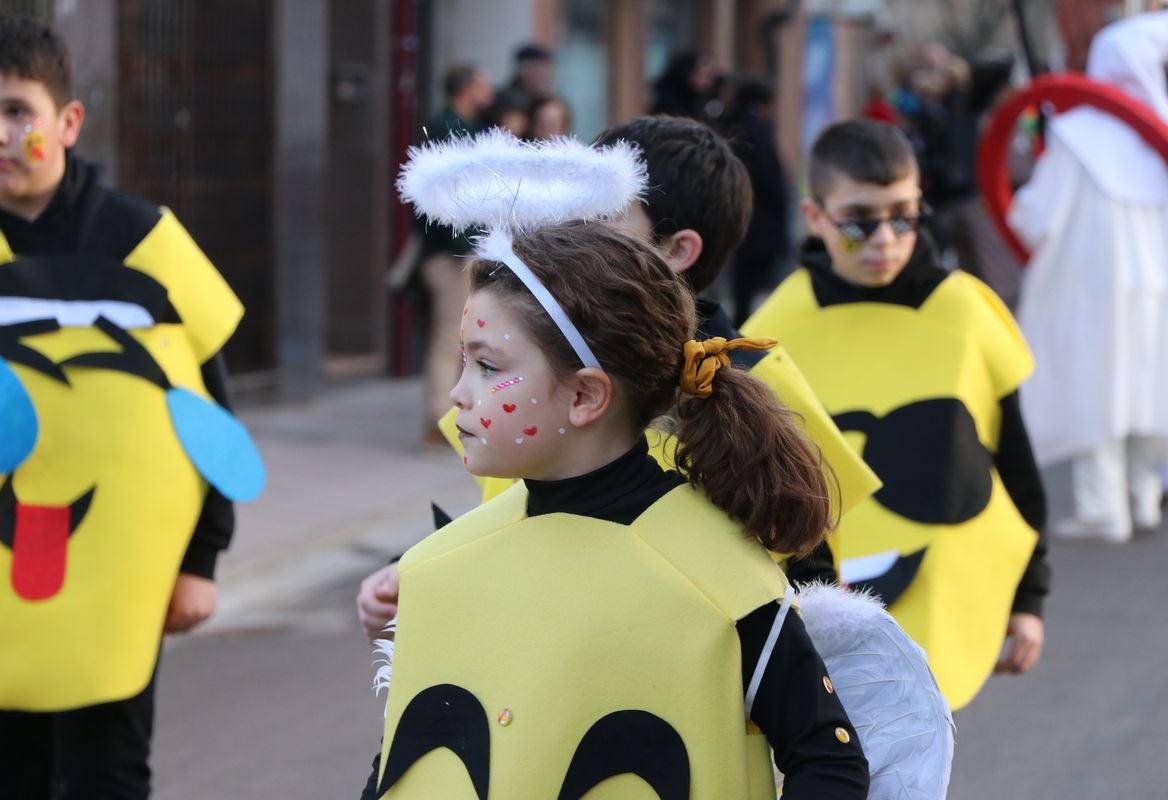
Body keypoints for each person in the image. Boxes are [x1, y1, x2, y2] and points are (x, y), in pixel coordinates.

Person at [363, 216, 870, 797]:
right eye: (463, 362)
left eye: (488, 366)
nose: (457, 395)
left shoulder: (721, 580)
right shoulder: (440, 564)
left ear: (584, 395)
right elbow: (403, 767)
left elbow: (829, 761)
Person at [358, 117, 881, 640]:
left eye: (599, 214)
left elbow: (805, 573)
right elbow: (519, 511)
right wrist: (423, 569)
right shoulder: (549, 349)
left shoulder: (750, 385)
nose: (569, 226)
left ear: (676, 251)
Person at [0, 18, 261, 799]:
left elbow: (207, 405)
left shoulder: (143, 238)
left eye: (17, 112)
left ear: (67, 122)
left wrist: (199, 563)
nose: (1, 134)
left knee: (104, 774)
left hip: (117, 576)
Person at [745, 119, 1051, 711]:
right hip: (817, 604)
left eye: (904, 216)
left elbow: (1015, 466)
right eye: (860, 220)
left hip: (946, 594)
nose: (885, 238)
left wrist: (1029, 600)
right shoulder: (772, 333)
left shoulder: (966, 312)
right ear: (815, 217)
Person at [1008, 7, 1168, 541]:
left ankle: (1103, 509)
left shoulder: (1076, 136)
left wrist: (1017, 210)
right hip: (1164, 289)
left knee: (1099, 389)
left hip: (1094, 289)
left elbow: (1036, 216)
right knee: (1147, 386)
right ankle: (1144, 500)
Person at [411, 63, 494, 441]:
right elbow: (454, 201)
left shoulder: (456, 127)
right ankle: (439, 422)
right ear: (466, 89)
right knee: (450, 338)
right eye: (482, 81)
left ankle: (443, 420)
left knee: (455, 338)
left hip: (453, 252)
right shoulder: (450, 129)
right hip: (452, 256)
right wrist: (471, 248)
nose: (489, 88)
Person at [724, 76, 791, 325]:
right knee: (757, 284)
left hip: (739, 217)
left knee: (743, 284)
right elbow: (770, 179)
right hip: (761, 221)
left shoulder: (731, 125)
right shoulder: (758, 131)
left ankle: (741, 324)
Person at [492, 42, 554, 114]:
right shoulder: (507, 100)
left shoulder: (539, 97)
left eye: (546, 70)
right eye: (539, 70)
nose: (544, 77)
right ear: (523, 70)